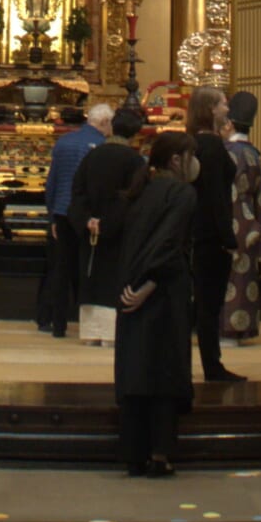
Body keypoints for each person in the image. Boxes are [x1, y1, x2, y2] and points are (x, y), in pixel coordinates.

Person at [113, 130, 200, 477]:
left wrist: (132, 287)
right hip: (162, 290)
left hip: (129, 290)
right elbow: (170, 244)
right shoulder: (183, 193)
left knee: (136, 370)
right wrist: (150, 285)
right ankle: (161, 453)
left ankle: (133, 453)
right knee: (164, 371)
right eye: (192, 155)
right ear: (177, 160)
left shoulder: (140, 191)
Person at [184, 87, 245, 384]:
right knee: (209, 305)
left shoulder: (193, 143)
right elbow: (217, 197)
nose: (227, 108)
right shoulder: (212, 147)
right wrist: (228, 237)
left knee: (198, 304)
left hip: (193, 231)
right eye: (223, 103)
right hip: (210, 234)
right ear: (210, 110)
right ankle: (212, 365)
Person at [73, 105, 148, 344]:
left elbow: (78, 193)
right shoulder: (134, 160)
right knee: (115, 277)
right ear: (134, 133)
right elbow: (131, 198)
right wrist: (110, 223)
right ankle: (110, 334)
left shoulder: (92, 156)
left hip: (91, 230)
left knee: (92, 276)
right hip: (120, 233)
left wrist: (87, 220)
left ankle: (91, 332)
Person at [37, 103, 109, 336]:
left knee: (60, 268)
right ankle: (86, 322)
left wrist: (52, 216)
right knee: (86, 267)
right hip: (86, 215)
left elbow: (52, 181)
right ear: (104, 123)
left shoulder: (64, 142)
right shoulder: (101, 146)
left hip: (61, 211)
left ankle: (55, 323)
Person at [221, 91, 261, 345]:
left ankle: (227, 329)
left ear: (229, 123)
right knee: (244, 276)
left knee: (229, 276)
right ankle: (242, 329)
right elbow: (260, 198)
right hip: (250, 220)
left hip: (230, 216)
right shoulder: (253, 154)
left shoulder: (228, 152)